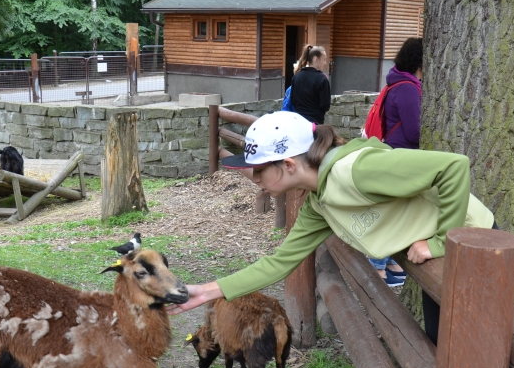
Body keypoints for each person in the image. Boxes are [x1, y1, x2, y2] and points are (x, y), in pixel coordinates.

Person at [167, 111, 496, 345]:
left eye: (258, 170)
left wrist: (441, 241)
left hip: (475, 245)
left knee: (471, 350)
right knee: (443, 344)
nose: (253, 179)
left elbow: (453, 167)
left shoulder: (356, 170)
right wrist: (207, 290)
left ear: (289, 165)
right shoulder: (319, 201)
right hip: (442, 255)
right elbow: (280, 262)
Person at [369, 37, 424, 287]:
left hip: (396, 153)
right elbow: (413, 132)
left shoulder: (398, 81)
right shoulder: (408, 88)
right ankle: (377, 265)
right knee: (394, 212)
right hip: (402, 156)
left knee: (398, 210)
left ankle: (389, 261)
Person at [290, 45, 331, 125]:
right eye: (324, 60)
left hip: (298, 121)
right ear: (316, 59)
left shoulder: (296, 76)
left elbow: (293, 100)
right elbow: (325, 105)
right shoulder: (322, 79)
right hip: (315, 123)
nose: (325, 63)